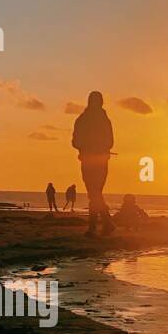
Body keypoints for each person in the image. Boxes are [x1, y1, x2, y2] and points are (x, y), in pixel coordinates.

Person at [72, 91, 115, 237]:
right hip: (96, 160)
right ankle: (104, 224)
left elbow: (76, 142)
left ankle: (96, 227)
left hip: (93, 160)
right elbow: (76, 142)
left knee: (94, 193)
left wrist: (87, 147)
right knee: (95, 193)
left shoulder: (84, 119)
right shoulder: (99, 120)